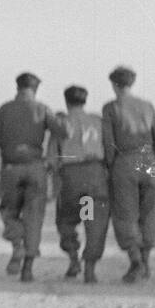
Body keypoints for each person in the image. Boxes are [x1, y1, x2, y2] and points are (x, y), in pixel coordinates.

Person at [0, 72, 66, 282]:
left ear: (17, 87)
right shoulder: (42, 108)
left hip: (11, 169)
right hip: (36, 169)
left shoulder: (5, 110)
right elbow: (62, 131)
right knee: (34, 217)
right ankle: (28, 269)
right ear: (36, 89)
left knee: (8, 211)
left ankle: (17, 244)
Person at [102, 66, 155, 283]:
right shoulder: (147, 106)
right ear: (132, 84)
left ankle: (136, 261)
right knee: (148, 213)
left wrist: (110, 167)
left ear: (113, 84)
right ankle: (146, 262)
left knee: (125, 214)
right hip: (149, 162)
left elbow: (109, 142)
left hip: (125, 163)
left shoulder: (111, 108)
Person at [48, 85, 109, 283]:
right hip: (94, 176)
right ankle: (90, 266)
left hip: (71, 178)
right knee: (92, 221)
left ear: (66, 101)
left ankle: (74, 258)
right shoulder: (97, 121)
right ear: (85, 101)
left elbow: (52, 159)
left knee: (66, 221)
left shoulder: (61, 123)